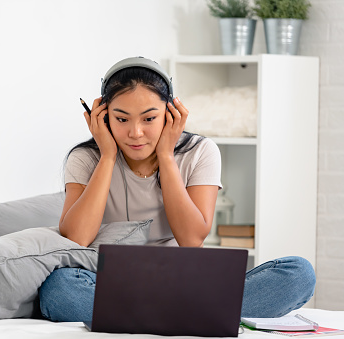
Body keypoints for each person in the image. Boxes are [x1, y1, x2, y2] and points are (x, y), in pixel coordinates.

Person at [39, 57, 315, 322]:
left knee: (299, 273)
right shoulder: (86, 158)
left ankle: (147, 316)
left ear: (171, 115)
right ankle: (188, 315)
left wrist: (167, 157)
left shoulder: (200, 152)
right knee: (59, 289)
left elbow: (192, 239)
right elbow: (77, 238)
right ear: (102, 116)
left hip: (182, 280)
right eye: (121, 119)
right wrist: (108, 156)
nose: (135, 132)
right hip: (110, 281)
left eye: (149, 119)